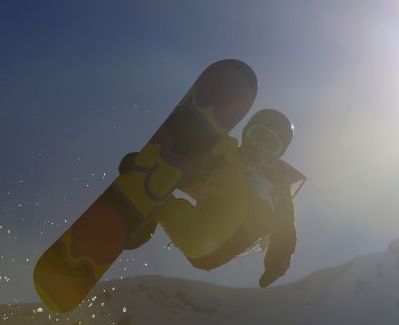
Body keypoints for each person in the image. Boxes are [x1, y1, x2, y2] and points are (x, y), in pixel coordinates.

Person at [119, 109, 300, 288]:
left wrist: (276, 264)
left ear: (277, 155)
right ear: (247, 134)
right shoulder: (224, 165)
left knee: (223, 152)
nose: (260, 146)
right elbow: (198, 181)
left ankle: (174, 162)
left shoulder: (275, 185)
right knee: (166, 207)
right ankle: (146, 217)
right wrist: (149, 173)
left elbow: (285, 229)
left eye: (270, 145)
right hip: (202, 249)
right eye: (257, 136)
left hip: (224, 237)